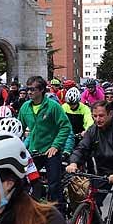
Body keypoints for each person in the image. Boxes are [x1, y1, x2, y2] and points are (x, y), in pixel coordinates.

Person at [17, 75, 73, 203]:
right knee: (26, 181)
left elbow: (65, 127)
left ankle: (58, 213)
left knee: (54, 185)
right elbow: (18, 127)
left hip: (50, 152)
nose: (29, 92)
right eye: (28, 89)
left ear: (41, 90)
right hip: (33, 151)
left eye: (32, 89)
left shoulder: (53, 106)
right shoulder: (25, 107)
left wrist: (56, 146)